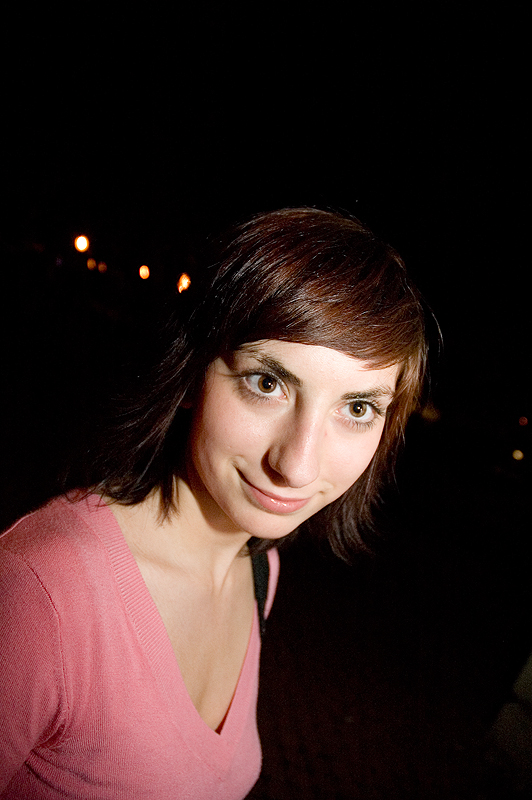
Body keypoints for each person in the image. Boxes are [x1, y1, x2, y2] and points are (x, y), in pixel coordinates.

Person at [0, 207, 428, 799]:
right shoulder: (42, 593)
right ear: (192, 371)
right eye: (267, 383)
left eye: (357, 408)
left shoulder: (259, 570)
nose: (297, 465)